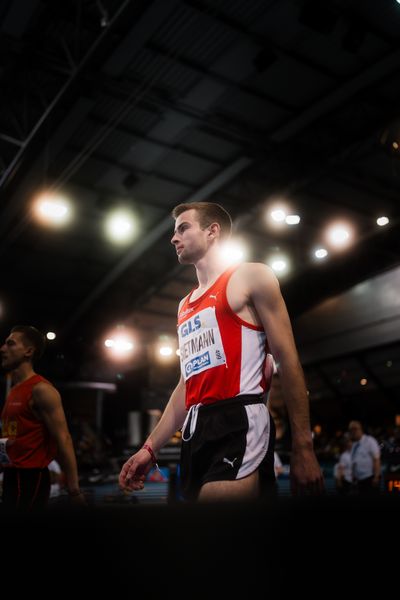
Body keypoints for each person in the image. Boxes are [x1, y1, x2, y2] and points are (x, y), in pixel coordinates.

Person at [119, 202, 324, 501]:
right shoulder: (184, 306)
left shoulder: (252, 276)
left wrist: (303, 447)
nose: (173, 239)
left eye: (183, 228)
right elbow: (187, 384)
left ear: (212, 231)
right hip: (195, 430)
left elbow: (288, 359)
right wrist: (150, 448)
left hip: (238, 419)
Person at [0, 325, 85, 510]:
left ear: (28, 351)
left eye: (10, 344)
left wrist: (74, 490)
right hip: (10, 475)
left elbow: (63, 438)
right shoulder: (13, 391)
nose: (2, 349)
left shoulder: (41, 390)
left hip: (31, 478)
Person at [348, 420, 381, 495]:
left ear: (361, 429)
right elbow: (354, 462)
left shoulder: (370, 441)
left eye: (355, 429)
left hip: (370, 479)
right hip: (359, 481)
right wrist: (353, 476)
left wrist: (376, 477)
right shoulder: (354, 445)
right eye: (351, 429)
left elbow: (376, 459)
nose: (353, 431)